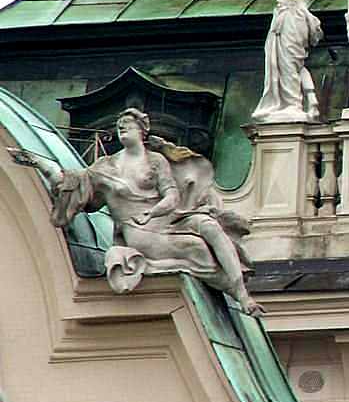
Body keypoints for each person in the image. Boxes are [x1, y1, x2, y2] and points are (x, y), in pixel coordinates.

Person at [20, 108, 262, 316]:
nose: (121, 128)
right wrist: (40, 162)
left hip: (165, 217)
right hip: (137, 228)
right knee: (197, 249)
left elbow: (172, 197)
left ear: (141, 131)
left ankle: (242, 293)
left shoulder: (156, 161)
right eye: (119, 126)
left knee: (209, 226)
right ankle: (233, 290)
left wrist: (153, 213)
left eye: (127, 125)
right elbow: (70, 182)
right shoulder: (105, 167)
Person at [252, 0, 332, 123]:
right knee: (283, 61)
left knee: (290, 60)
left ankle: (293, 103)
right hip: (284, 15)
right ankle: (303, 101)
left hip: (295, 17)